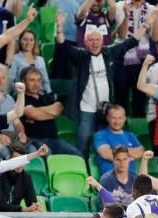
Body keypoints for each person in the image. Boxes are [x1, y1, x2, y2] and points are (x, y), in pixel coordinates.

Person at [55, 11, 149, 159]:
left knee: (108, 143)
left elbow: (130, 42)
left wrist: (146, 24)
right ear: (85, 42)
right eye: (91, 40)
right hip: (86, 108)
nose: (94, 43)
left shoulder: (109, 52)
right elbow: (63, 47)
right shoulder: (80, 56)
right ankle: (84, 171)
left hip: (106, 109)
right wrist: (59, 27)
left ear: (102, 41)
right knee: (83, 144)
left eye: (97, 39)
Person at [114, 0, 158, 118]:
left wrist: (154, 19)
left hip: (141, 60)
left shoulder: (151, 9)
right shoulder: (120, 6)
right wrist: (126, 16)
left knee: (139, 101)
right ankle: (120, 130)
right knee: (121, 99)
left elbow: (155, 37)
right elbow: (121, 35)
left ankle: (137, 132)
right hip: (122, 59)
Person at [20, 67, 82, 156]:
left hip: (54, 139)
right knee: (48, 154)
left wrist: (37, 111)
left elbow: (59, 109)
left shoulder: (46, 96)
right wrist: (50, 112)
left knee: (78, 155)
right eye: (32, 80)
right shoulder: (21, 99)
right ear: (24, 82)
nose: (36, 84)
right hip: (35, 140)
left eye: (38, 80)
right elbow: (33, 114)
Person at [94, 105, 143, 175]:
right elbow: (106, 154)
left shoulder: (130, 135)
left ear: (124, 119)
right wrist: (130, 155)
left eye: (120, 118)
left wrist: (117, 150)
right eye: (113, 118)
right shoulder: (100, 135)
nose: (117, 121)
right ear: (107, 118)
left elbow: (141, 152)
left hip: (131, 177)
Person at [0, 147, 40, 213]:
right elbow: (1, 205)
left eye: (22, 161)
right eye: (16, 161)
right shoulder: (0, 175)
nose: (19, 164)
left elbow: (32, 202)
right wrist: (23, 209)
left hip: (17, 215)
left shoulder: (26, 177)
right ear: (9, 159)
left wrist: (34, 208)